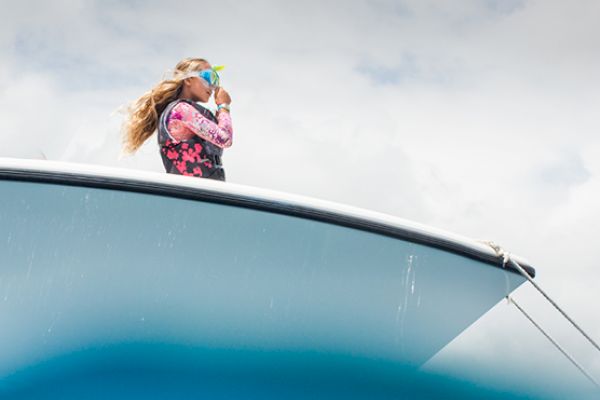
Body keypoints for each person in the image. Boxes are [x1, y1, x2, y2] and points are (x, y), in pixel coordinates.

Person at [122, 58, 232, 181]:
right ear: (189, 79)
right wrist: (224, 106)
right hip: (194, 189)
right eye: (208, 77)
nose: (212, 86)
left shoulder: (183, 111)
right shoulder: (181, 110)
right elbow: (224, 138)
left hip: (200, 188)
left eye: (215, 79)